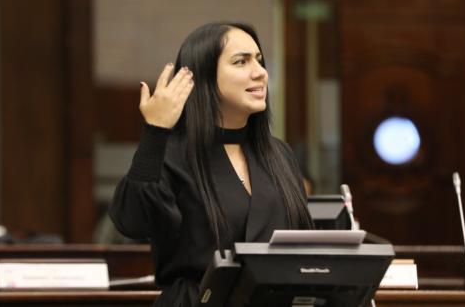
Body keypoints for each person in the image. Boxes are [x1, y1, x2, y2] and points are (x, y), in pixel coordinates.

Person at [109, 22, 314, 306]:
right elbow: (131, 221)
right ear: (204, 76)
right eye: (241, 62)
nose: (260, 72)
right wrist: (155, 132)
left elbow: (302, 249)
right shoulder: (172, 152)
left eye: (259, 60)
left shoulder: (278, 154)